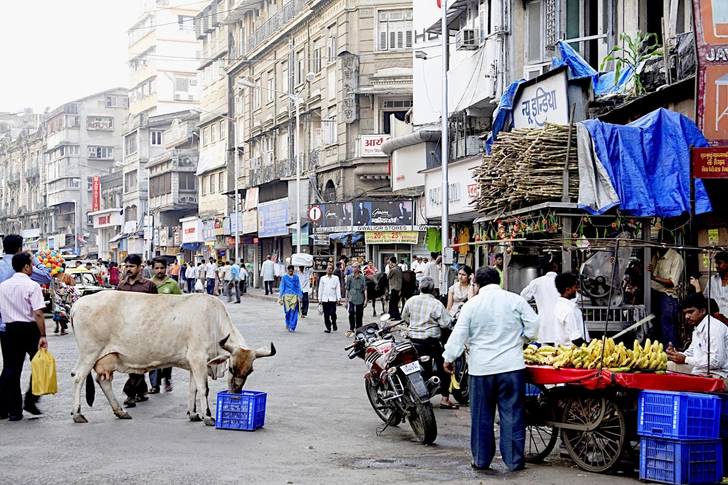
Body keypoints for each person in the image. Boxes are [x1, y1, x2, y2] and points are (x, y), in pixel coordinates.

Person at [443, 267, 540, 471]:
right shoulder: (515, 300)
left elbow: (459, 334)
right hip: (512, 368)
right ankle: (514, 461)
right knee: (513, 414)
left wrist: (449, 357)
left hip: (481, 370)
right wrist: (522, 339)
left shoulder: (472, 305)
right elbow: (534, 324)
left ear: (477, 284)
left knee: (481, 417)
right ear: (499, 282)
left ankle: (481, 459)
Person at [0, 253, 49, 420]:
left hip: (10, 329)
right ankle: (31, 398)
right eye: (31, 265)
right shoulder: (32, 285)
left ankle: (14, 411)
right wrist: (43, 334)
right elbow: (38, 313)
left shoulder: (3, 286)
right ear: (27, 267)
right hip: (30, 329)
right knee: (40, 365)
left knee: (11, 370)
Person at [401, 277, 457, 409]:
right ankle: (444, 399)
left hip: (414, 341)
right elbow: (445, 324)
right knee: (444, 365)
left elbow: (404, 318)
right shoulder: (436, 304)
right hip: (431, 342)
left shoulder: (411, 301)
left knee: (419, 367)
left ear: (420, 288)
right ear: (433, 290)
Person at [117, 254, 158, 408]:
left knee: (139, 362)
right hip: (126, 329)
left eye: (131, 266)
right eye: (126, 266)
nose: (128, 269)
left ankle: (130, 393)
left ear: (140, 268)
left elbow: (157, 309)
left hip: (144, 329)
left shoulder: (148, 286)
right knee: (132, 362)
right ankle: (141, 391)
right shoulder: (122, 286)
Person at [667, 293, 728, 381]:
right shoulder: (698, 329)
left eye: (690, 312)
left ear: (702, 311)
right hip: (700, 370)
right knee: (668, 365)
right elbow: (691, 353)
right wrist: (676, 355)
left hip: (718, 374)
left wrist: (685, 359)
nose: (687, 317)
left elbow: (716, 361)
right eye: (685, 313)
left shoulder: (713, 328)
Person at [149, 257, 181, 394]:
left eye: (162, 268)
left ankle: (167, 379)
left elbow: (180, 304)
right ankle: (154, 385)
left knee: (168, 356)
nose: (159, 270)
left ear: (166, 268)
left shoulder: (172, 284)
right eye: (156, 268)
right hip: (152, 326)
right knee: (152, 356)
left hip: (169, 325)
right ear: (153, 269)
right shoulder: (148, 284)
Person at [648, 235, 684, 347]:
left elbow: (672, 282)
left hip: (667, 296)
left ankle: (670, 355)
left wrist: (653, 277)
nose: (660, 242)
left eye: (663, 240)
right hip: (654, 294)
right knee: (655, 327)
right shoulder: (656, 255)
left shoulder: (676, 258)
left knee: (667, 328)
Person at [520, 258, 560, 346]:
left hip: (544, 324)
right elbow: (575, 298)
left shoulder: (536, 283)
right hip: (562, 324)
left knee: (546, 355)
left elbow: (523, 296)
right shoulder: (563, 281)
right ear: (556, 267)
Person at [552, 273, 590, 347]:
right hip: (572, 352)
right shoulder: (568, 310)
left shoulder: (560, 305)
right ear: (568, 290)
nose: (577, 290)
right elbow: (575, 338)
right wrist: (590, 347)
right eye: (575, 287)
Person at [278, 265, 303, 332]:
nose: (290, 272)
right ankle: (288, 323)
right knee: (287, 311)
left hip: (294, 295)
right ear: (287, 271)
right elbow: (282, 287)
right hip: (286, 296)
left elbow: (298, 287)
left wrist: (299, 296)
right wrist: (280, 297)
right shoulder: (284, 278)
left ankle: (292, 326)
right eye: (289, 271)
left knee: (294, 311)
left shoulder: (296, 278)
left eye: (292, 271)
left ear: (293, 271)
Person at [345, 262, 368, 335]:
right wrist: (346, 301)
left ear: (358, 268)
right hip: (352, 296)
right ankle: (351, 327)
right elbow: (347, 289)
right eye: (353, 267)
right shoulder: (350, 277)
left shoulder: (362, 277)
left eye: (355, 267)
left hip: (359, 296)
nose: (354, 269)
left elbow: (365, 288)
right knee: (351, 312)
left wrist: (366, 299)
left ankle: (359, 328)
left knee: (359, 313)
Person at [318, 264, 341, 333]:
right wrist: (320, 299)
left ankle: (334, 322)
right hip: (325, 298)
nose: (329, 269)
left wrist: (338, 298)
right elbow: (321, 289)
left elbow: (337, 288)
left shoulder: (335, 278)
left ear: (332, 270)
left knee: (332, 312)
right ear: (326, 270)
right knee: (326, 314)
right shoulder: (323, 278)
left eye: (330, 268)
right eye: (328, 268)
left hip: (332, 298)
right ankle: (328, 327)